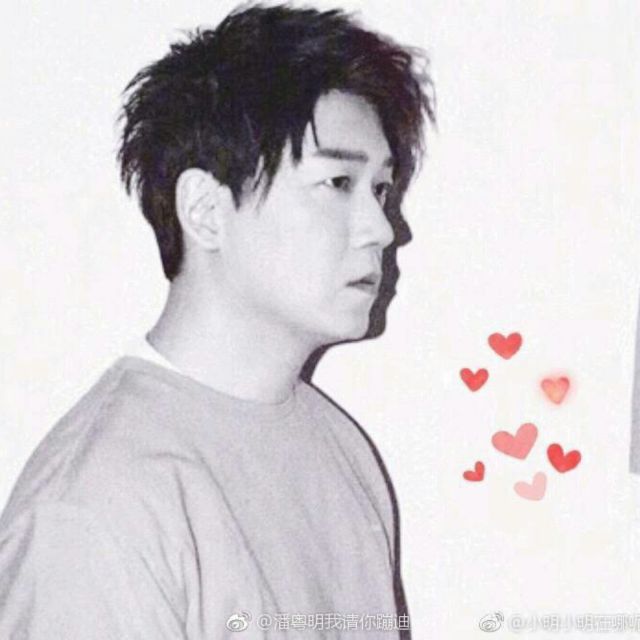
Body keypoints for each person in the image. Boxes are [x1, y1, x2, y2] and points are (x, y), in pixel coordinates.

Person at [0, 3, 434, 638]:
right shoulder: (94, 507)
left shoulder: (341, 448)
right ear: (205, 210)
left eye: (380, 190)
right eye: (338, 182)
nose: (382, 229)